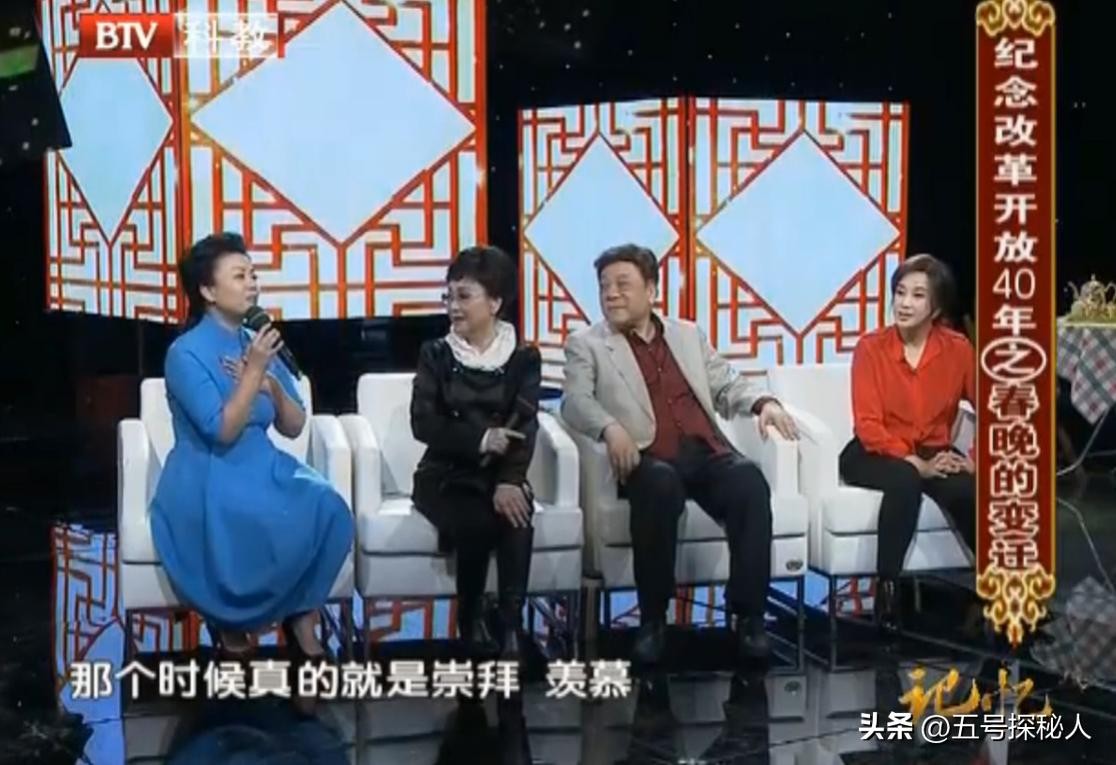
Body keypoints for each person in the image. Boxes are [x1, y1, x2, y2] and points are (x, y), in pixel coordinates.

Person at [561, 244, 799, 664]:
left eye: (622, 284)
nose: (611, 294)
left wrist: (764, 403)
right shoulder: (587, 344)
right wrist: (610, 427)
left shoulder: (687, 334)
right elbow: (574, 401)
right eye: (604, 286)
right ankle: (653, 620)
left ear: (651, 290)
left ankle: (749, 617)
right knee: (660, 484)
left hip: (704, 451)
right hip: (646, 457)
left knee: (749, 482)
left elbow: (727, 384)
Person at [150, 232, 353, 660]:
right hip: (208, 471)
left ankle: (302, 613)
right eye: (239, 276)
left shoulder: (256, 340)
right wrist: (253, 373)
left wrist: (272, 386)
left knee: (330, 507)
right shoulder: (184, 353)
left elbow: (294, 426)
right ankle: (230, 619)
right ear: (208, 291)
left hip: (262, 463)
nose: (252, 285)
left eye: (253, 275)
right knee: (247, 516)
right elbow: (222, 430)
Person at [410, 245, 542, 663]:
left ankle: (511, 625)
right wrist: (482, 439)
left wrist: (510, 480)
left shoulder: (523, 357)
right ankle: (470, 621)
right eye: (448, 296)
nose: (453, 306)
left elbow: (525, 423)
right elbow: (424, 423)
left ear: (496, 302)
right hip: (443, 475)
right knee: (477, 519)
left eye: (464, 296)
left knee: (516, 514)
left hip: (497, 474)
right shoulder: (435, 354)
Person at [839, 253, 976, 633]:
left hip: (934, 449)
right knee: (905, 479)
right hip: (873, 450)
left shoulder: (958, 350)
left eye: (917, 295)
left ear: (936, 308)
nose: (904, 303)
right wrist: (915, 462)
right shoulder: (871, 348)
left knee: (967, 490)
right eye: (900, 293)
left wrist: (975, 460)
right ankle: (886, 591)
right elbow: (867, 424)